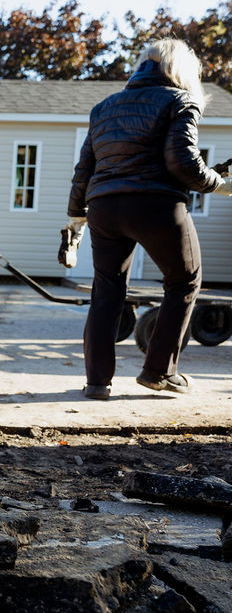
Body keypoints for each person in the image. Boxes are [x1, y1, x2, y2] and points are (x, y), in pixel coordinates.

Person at [66, 39, 232, 401]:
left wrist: (75, 217)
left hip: (104, 208)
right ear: (181, 69)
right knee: (184, 280)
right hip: (155, 205)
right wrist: (222, 185)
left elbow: (84, 171)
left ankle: (97, 382)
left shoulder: (104, 108)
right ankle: (158, 372)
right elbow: (183, 164)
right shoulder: (180, 100)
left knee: (106, 291)